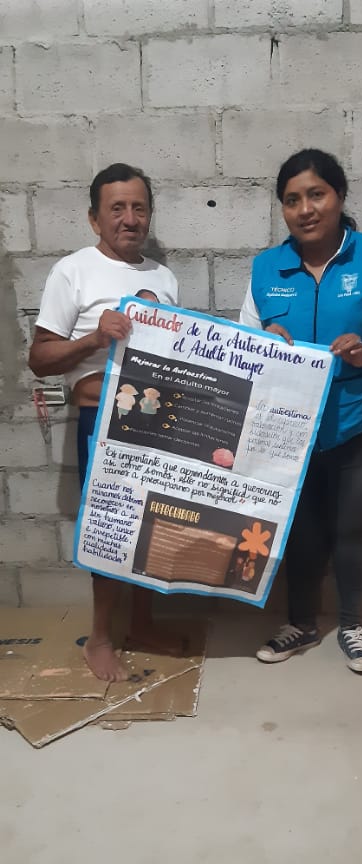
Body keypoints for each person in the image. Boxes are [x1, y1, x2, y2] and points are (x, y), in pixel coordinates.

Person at [240, 149, 362, 674]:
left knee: (353, 529)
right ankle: (300, 623)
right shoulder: (265, 269)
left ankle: (351, 625)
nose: (305, 209)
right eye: (292, 200)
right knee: (300, 531)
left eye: (316, 195)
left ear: (339, 197)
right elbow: (244, 350)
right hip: (291, 432)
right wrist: (265, 341)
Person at [29, 163, 179, 682]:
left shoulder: (163, 278)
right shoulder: (73, 271)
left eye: (139, 208)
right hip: (104, 423)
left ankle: (142, 625)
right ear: (95, 218)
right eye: (117, 208)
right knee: (110, 530)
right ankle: (100, 638)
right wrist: (94, 338)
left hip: (156, 423)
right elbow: (39, 358)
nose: (129, 218)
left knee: (152, 525)